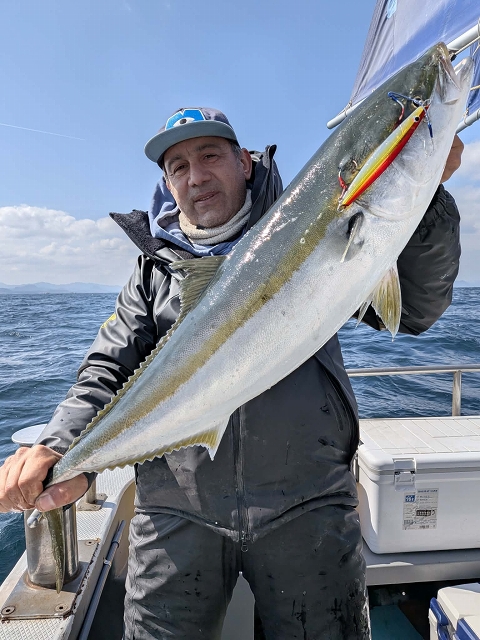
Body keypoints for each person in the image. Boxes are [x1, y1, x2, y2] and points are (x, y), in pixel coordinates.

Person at [0, 107, 464, 639]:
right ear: (168, 184)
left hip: (308, 502)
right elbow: (106, 368)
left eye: (210, 155)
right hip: (177, 511)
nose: (196, 176)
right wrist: (60, 447)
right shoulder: (155, 271)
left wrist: (425, 194)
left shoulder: (310, 225)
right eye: (178, 167)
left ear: (244, 162)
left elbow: (415, 310)